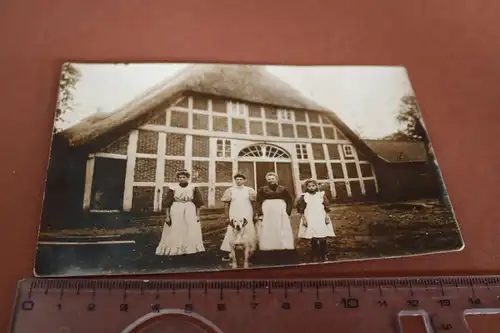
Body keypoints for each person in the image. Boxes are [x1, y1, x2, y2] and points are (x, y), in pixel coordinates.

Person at [155, 169, 205, 256]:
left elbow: (198, 203)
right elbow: (167, 204)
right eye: (180, 177)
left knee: (190, 229)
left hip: (190, 209)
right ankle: (175, 249)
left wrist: (198, 215)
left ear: (187, 178)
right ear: (177, 178)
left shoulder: (193, 188)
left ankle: (189, 249)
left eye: (184, 177)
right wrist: (167, 216)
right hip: (176, 208)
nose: (181, 179)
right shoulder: (173, 188)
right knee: (176, 228)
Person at [220, 173, 258, 263]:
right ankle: (231, 253)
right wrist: (227, 216)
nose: (239, 181)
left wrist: (255, 214)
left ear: (244, 180)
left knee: (248, 229)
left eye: (241, 179)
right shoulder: (230, 190)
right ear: (235, 180)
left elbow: (254, 203)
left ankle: (249, 253)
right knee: (233, 230)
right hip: (234, 212)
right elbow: (226, 204)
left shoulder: (249, 190)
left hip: (247, 212)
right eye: (237, 179)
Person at [296, 179, 336, 262]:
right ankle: (314, 254)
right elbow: (301, 209)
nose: (311, 187)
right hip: (310, 218)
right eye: (309, 186)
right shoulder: (304, 196)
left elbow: (326, 207)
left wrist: (327, 217)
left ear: (316, 186)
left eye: (313, 186)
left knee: (322, 235)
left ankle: (323, 254)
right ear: (306, 187)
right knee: (313, 236)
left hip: (320, 217)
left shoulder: (321, 195)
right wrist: (304, 219)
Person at [256, 172, 294, 251]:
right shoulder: (262, 190)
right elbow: (258, 202)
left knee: (282, 227)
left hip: (280, 210)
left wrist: (288, 212)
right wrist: (260, 213)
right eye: (269, 179)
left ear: (276, 179)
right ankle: (269, 246)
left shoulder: (283, 189)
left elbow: (289, 200)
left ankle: (283, 245)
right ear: (267, 180)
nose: (271, 180)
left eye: (272, 179)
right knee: (268, 227)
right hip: (267, 210)